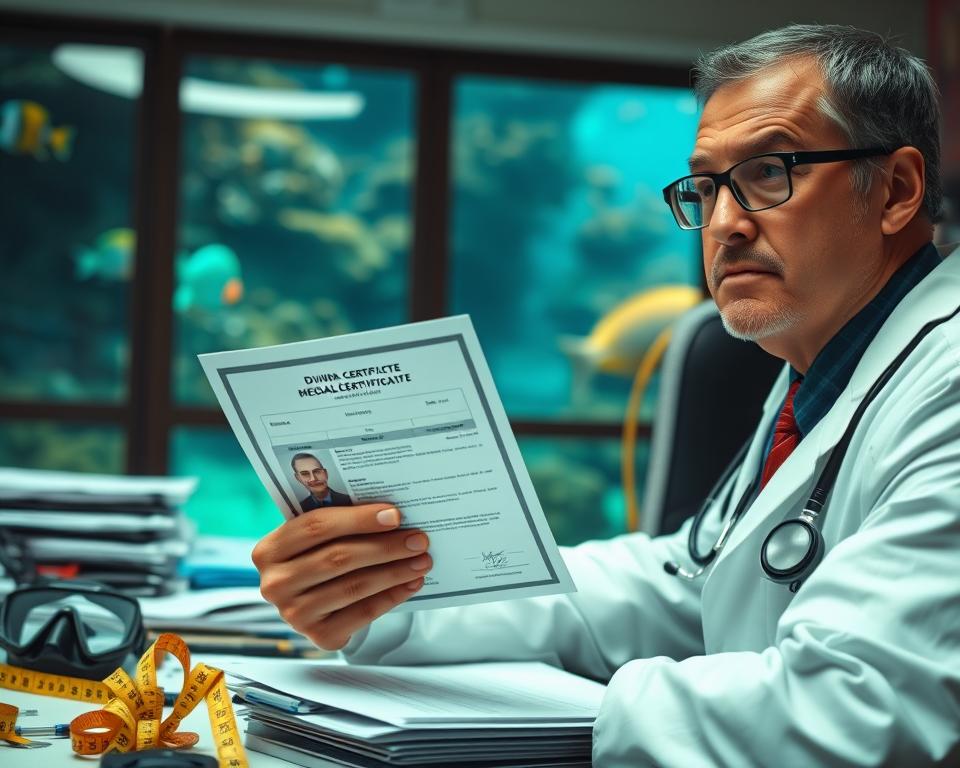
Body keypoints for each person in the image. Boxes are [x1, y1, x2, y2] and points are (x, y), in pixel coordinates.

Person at [252, 25, 960, 766]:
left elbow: (857, 713)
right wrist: (391, 594)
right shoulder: (821, 368)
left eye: (769, 172)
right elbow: (684, 587)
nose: (723, 224)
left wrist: (577, 716)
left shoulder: (945, 385)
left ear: (897, 190)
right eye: (708, 186)